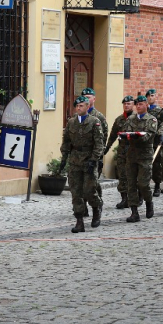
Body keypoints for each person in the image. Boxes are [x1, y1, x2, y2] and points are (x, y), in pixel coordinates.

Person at [60, 96, 104, 232]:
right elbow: (66, 141)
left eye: (81, 106)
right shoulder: (71, 123)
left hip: (88, 159)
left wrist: (94, 160)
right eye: (77, 106)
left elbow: (99, 144)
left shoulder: (94, 122)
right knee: (76, 192)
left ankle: (96, 208)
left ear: (87, 107)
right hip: (75, 161)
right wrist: (64, 158)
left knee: (89, 190)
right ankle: (79, 221)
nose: (78, 108)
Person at [124, 95, 160, 222]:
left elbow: (149, 136)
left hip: (145, 155)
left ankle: (149, 203)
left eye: (141, 104)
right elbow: (126, 132)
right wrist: (126, 137)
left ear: (146, 105)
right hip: (132, 155)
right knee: (131, 184)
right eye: (137, 105)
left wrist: (137, 137)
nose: (138, 107)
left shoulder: (152, 119)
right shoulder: (130, 119)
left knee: (143, 184)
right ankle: (134, 211)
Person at [105, 96, 135, 208]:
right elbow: (113, 135)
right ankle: (124, 198)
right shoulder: (119, 120)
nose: (126, 106)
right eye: (125, 104)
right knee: (122, 175)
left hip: (134, 151)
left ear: (133, 105)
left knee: (133, 176)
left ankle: (136, 197)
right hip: (122, 151)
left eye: (129, 103)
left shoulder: (137, 118)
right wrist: (107, 148)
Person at [82, 87, 109, 208]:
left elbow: (104, 137)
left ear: (94, 99)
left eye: (88, 98)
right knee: (80, 182)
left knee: (92, 183)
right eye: (84, 98)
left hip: (94, 155)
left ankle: (97, 203)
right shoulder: (78, 115)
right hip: (81, 156)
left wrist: (99, 156)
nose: (86, 100)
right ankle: (83, 207)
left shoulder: (99, 117)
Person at [146, 88, 163, 197]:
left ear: (156, 97)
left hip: (156, 142)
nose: (150, 97)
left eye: (152, 95)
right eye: (148, 96)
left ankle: (157, 185)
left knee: (156, 165)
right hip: (146, 142)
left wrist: (161, 133)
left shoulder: (161, 111)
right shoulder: (145, 111)